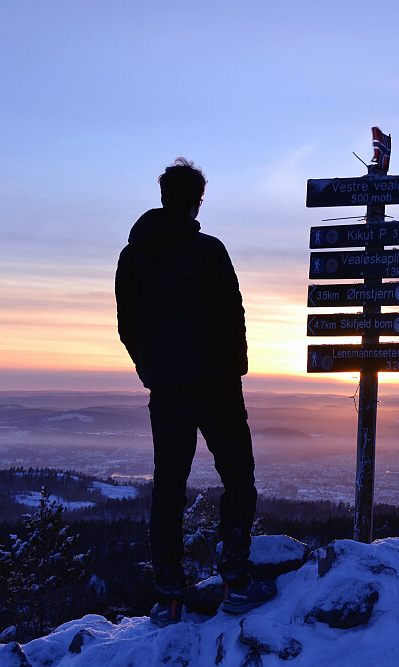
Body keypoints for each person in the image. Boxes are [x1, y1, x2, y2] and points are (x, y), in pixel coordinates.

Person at [115, 158, 275, 627]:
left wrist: (151, 369)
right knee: (238, 478)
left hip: (166, 390)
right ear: (197, 201)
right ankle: (236, 581)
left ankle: (168, 598)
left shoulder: (133, 256)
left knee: (169, 487)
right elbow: (233, 316)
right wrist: (234, 371)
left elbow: (128, 326)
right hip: (216, 385)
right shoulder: (209, 251)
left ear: (165, 195)